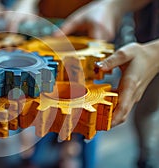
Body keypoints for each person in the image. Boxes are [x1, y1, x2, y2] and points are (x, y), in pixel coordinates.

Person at [54, 0, 159, 167]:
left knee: (146, 112)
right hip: (145, 37)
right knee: (143, 114)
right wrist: (114, 5)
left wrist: (156, 52)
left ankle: (148, 158)